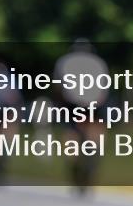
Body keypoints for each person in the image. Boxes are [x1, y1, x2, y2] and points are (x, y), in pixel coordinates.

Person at [54, 39, 109, 196]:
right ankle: (90, 166)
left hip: (72, 104)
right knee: (96, 139)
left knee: (71, 140)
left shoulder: (64, 61)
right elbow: (103, 90)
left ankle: (76, 170)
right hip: (95, 105)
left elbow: (58, 87)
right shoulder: (99, 62)